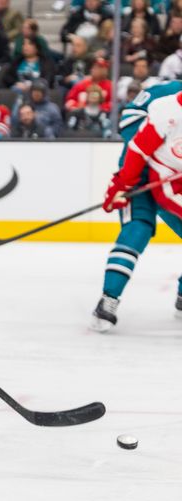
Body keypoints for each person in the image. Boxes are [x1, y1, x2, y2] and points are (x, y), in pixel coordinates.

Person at [91, 81, 182, 331]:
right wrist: (122, 183)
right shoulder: (167, 97)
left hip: (174, 180)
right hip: (140, 170)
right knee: (137, 228)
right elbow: (134, 134)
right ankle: (109, 299)